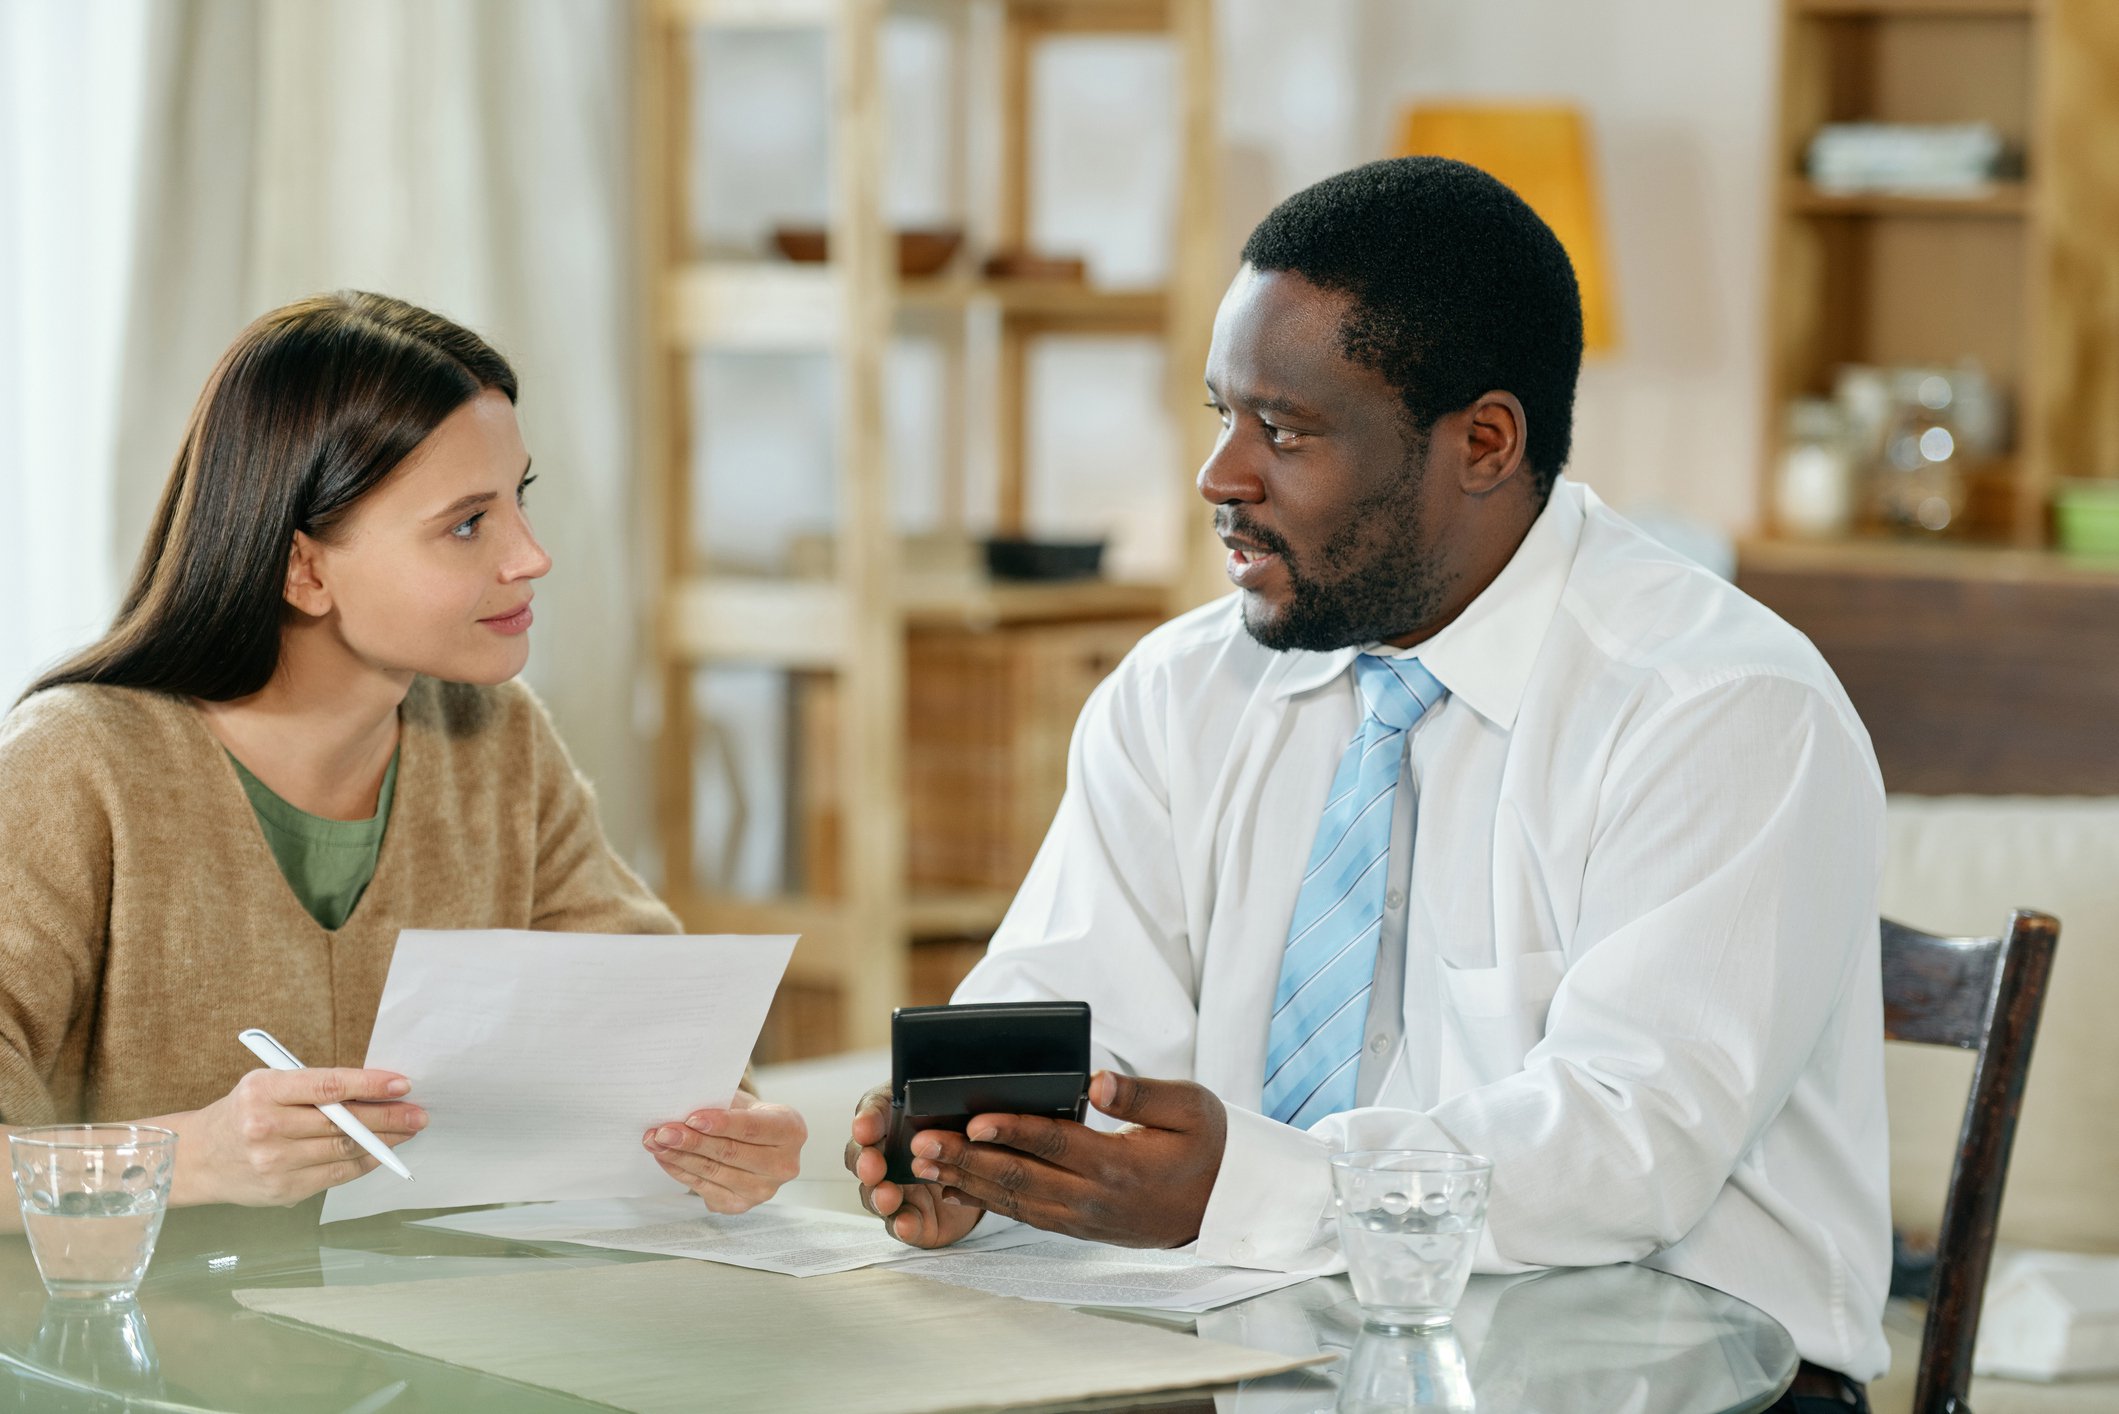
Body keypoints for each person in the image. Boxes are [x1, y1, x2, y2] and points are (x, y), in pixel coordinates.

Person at [848, 158, 1888, 1409]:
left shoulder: (1716, 711)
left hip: (1685, 1385)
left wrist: (1252, 1182)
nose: (1220, 477)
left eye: (1282, 431)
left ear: (1483, 443)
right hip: (1267, 1356)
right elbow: (1076, 1008)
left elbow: (1628, 1147)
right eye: (1218, 414)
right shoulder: (1179, 690)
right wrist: (987, 1156)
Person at [0, 292, 803, 1225]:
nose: (533, 556)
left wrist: (731, 1129)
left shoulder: (499, 741)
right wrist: (197, 1157)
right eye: (468, 523)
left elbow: (661, 1030)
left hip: (433, 1335)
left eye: (520, 500)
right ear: (303, 569)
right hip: (123, 1355)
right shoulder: (73, 768)